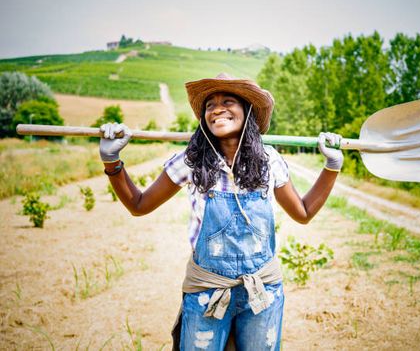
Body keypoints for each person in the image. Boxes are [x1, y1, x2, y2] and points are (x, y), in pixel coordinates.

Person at [99, 73, 343, 351]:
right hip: (207, 290)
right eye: (209, 105)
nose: (216, 109)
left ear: (247, 110)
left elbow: (303, 212)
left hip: (262, 292)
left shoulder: (269, 160)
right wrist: (112, 162)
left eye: (228, 101)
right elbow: (139, 205)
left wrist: (331, 166)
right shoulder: (191, 162)